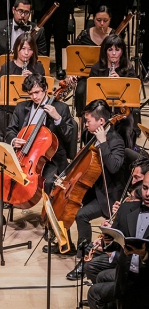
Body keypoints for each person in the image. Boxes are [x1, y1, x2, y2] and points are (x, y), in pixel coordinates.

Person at [0, 74, 74, 231]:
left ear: (46, 90)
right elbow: (10, 130)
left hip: (50, 159)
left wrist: (57, 118)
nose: (34, 97)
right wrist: (14, 140)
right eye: (31, 93)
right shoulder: (22, 107)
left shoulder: (61, 108)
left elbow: (69, 136)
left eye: (37, 92)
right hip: (26, 156)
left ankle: (50, 224)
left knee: (49, 182)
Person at [64, 99, 125, 279]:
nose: (85, 124)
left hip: (109, 196)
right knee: (76, 212)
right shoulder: (91, 134)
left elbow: (114, 167)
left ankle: (84, 263)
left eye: (88, 120)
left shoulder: (116, 141)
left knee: (81, 215)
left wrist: (103, 143)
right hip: (93, 189)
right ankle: (73, 248)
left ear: (101, 122)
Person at [88, 171, 149, 309]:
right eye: (145, 188)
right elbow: (113, 244)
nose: (147, 193)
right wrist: (107, 240)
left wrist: (145, 255)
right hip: (125, 281)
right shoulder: (126, 209)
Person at [0, 0, 47, 81]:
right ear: (13, 10)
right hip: (5, 72)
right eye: (20, 11)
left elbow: (42, 57)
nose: (23, 15)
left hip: (29, 72)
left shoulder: (38, 30)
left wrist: (33, 74)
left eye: (26, 13)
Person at [0, 33, 45, 140]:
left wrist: (34, 81)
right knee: (8, 126)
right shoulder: (7, 67)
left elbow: (44, 92)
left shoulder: (38, 67)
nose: (26, 53)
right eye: (23, 49)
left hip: (31, 108)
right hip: (8, 110)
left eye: (30, 49)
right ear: (16, 49)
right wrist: (17, 81)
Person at [89, 34, 136, 148]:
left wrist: (120, 82)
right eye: (110, 50)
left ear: (122, 51)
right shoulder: (97, 69)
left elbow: (133, 95)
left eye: (117, 50)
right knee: (93, 126)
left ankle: (124, 157)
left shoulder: (128, 69)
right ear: (105, 51)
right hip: (102, 109)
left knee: (125, 128)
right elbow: (91, 94)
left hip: (122, 110)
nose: (114, 53)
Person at [72, 6, 115, 125]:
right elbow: (73, 55)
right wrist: (72, 73)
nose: (101, 23)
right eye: (98, 20)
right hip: (86, 75)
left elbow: (120, 57)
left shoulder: (114, 35)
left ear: (110, 20)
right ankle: (82, 123)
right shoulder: (84, 35)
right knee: (80, 91)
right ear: (93, 19)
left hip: (107, 75)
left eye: (105, 20)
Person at [26, 0, 74, 79]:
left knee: (61, 37)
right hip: (41, 0)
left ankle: (61, 66)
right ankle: (43, 65)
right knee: (43, 36)